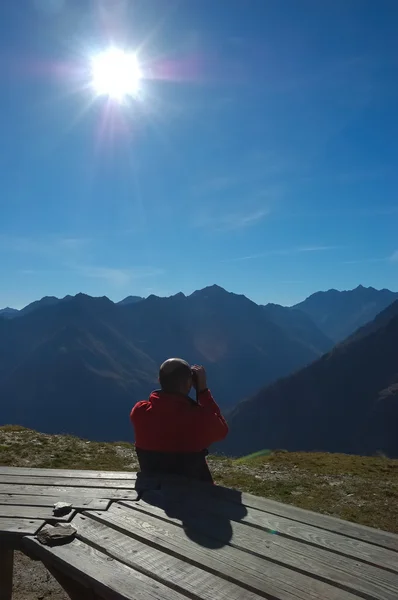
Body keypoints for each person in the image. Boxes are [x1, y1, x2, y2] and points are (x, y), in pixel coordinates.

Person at [130, 358, 228, 482]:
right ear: (189, 383)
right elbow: (222, 430)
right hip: (194, 491)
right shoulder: (198, 417)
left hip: (152, 488)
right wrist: (203, 391)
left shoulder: (139, 411)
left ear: (159, 380)